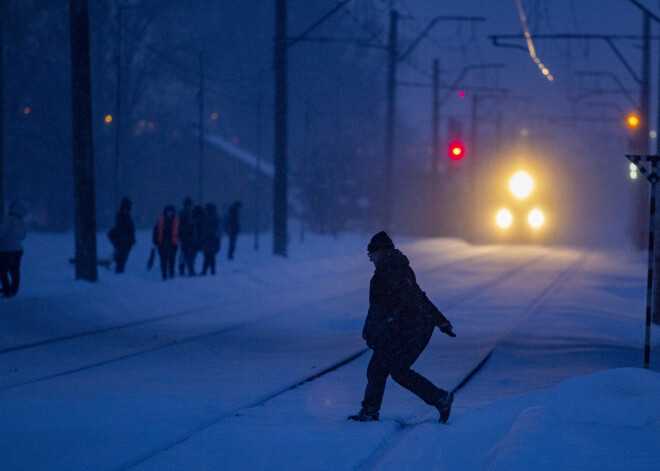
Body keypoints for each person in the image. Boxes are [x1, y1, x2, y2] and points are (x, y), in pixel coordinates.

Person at [349, 231, 457, 424]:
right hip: (410, 327)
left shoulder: (388, 272)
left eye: (371, 254)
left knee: (395, 370)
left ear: (381, 251)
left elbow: (386, 307)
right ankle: (370, 410)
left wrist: (374, 332)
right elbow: (416, 295)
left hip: (411, 329)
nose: (370, 259)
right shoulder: (396, 268)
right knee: (378, 368)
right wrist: (440, 320)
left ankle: (440, 398)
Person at [0, 201, 28, 298]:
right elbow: (24, 235)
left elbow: (2, 232)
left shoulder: (8, 220)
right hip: (18, 249)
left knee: (2, 270)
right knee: (14, 270)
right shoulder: (21, 221)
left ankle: (7, 289)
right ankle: (14, 289)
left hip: (6, 249)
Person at [108, 197, 136, 273]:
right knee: (121, 259)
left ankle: (119, 272)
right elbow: (124, 228)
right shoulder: (123, 215)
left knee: (121, 258)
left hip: (123, 241)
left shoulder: (123, 214)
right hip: (123, 241)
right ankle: (119, 274)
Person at [152, 205, 179, 280]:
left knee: (172, 259)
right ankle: (164, 273)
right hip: (162, 243)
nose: (170, 213)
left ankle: (171, 272)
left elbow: (180, 231)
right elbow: (156, 231)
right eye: (168, 212)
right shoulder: (161, 220)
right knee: (163, 259)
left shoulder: (176, 220)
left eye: (171, 212)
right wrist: (155, 241)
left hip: (173, 243)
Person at [201, 203, 221, 275]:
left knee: (207, 255)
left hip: (208, 239)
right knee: (211, 256)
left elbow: (204, 228)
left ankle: (206, 270)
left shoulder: (206, 217)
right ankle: (211, 270)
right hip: (212, 239)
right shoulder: (215, 217)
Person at [178, 197, 193, 275]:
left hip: (189, 237)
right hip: (184, 237)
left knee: (187, 254)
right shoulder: (183, 214)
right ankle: (184, 269)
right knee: (184, 254)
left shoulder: (189, 213)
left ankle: (188, 269)